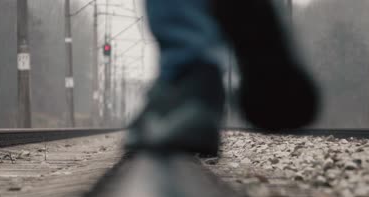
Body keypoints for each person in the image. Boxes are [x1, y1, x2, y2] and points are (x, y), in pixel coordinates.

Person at [125, 0, 320, 155]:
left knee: (188, 61)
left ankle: (187, 78)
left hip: (191, 81)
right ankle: (194, 81)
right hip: (206, 86)